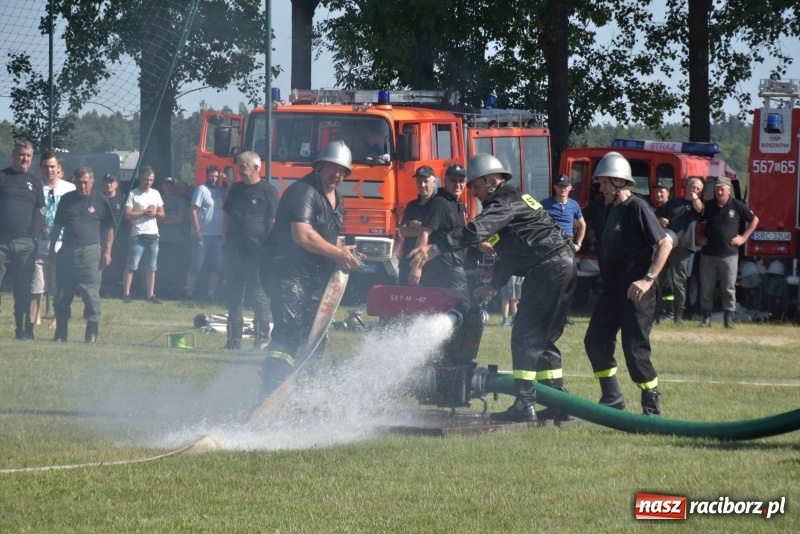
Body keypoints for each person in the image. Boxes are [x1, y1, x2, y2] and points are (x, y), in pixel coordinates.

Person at [408, 153, 577, 424]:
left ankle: (525, 403)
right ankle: (558, 401)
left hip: (546, 268)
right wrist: (493, 286)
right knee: (545, 339)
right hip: (562, 265)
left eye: (475, 186)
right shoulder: (515, 202)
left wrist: (435, 248)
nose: (473, 193)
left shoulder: (504, 200)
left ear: (492, 181)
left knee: (524, 335)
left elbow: (475, 232)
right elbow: (507, 251)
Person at [260, 140, 364, 397]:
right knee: (289, 331)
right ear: (318, 167)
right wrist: (338, 254)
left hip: (311, 277)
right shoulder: (303, 192)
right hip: (285, 272)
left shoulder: (337, 200)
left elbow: (330, 237)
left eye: (342, 171)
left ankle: (302, 395)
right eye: (331, 168)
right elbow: (303, 235)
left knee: (315, 337)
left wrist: (344, 253)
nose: (336, 174)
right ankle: (270, 392)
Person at [583, 152, 672, 417]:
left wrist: (647, 280)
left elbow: (665, 243)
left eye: (605, 183)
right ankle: (612, 397)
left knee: (635, 350)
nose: (601, 187)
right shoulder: (608, 207)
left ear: (620, 182)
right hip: (612, 289)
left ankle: (651, 408)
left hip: (637, 293)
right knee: (595, 340)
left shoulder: (638, 207)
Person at [50, 167, 115, 343]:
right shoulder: (66, 200)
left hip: (91, 252)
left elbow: (110, 227)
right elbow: (56, 227)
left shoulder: (101, 200)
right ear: (74, 183)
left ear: (92, 182)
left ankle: (91, 334)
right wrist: (51, 249)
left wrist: (108, 250)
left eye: (86, 182)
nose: (82, 186)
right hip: (67, 251)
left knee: (91, 296)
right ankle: (61, 333)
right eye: (79, 183)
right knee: (62, 294)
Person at [223, 151, 279, 350]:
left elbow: (273, 222)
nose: (239, 169)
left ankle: (261, 339)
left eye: (243, 166)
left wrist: (271, 248)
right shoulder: (236, 189)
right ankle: (233, 340)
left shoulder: (269, 191)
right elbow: (227, 216)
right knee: (234, 293)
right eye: (239, 165)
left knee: (258, 293)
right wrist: (225, 240)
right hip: (234, 249)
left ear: (256, 168)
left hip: (257, 251)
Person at [697, 176, 759, 329]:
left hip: (729, 254)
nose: (719, 192)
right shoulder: (709, 206)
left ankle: (728, 319)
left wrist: (744, 237)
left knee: (728, 288)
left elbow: (754, 219)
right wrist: (697, 236)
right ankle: (706, 319)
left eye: (722, 189)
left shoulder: (737, 205)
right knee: (707, 287)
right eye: (717, 189)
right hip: (708, 254)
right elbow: (695, 220)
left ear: (728, 190)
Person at [0, 139, 44, 340]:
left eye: (28, 155)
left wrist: (35, 236)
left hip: (26, 244)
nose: (24, 158)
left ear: (31, 157)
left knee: (23, 290)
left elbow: (38, 213)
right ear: (13, 155)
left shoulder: (35, 182)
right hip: (2, 243)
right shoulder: (2, 176)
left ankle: (23, 331)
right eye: (21, 154)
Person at [413, 163, 469, 306]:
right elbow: (424, 233)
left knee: (450, 307)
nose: (458, 184)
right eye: (453, 180)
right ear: (445, 181)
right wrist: (416, 268)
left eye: (461, 181)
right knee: (463, 305)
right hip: (441, 265)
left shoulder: (458, 204)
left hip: (455, 263)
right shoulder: (439, 202)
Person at [31, 151, 75, 329]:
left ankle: (58, 318)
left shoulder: (69, 189)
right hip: (39, 243)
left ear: (59, 168)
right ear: (40, 168)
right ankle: (34, 318)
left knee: (59, 285)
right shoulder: (35, 188)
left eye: (52, 166)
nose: (49, 170)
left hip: (62, 244)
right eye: (45, 167)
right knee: (36, 285)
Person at [654, 178, 704, 325]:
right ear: (686, 188)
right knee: (658, 280)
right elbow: (655, 216)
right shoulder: (674, 202)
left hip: (682, 247)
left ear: (700, 191)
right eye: (692, 187)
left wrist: (695, 199)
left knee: (679, 282)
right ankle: (655, 315)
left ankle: (678, 317)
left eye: (697, 189)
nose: (694, 190)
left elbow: (700, 209)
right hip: (665, 244)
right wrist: (660, 220)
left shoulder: (697, 206)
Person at [543, 174, 585, 325]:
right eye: (560, 186)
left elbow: (582, 225)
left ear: (570, 188)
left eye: (566, 186)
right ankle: (548, 314)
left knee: (568, 282)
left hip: (568, 245)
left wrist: (578, 243)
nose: (563, 189)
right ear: (555, 187)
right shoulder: (545, 204)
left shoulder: (574, 205)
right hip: (551, 246)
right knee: (550, 281)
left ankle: (563, 316)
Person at [122, 165, 165, 304]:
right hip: (138, 234)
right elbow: (127, 214)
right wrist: (144, 211)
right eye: (146, 179)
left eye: (151, 180)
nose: (149, 182)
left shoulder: (156, 193)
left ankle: (150, 295)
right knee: (132, 265)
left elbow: (163, 214)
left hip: (153, 234)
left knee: (152, 267)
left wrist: (156, 213)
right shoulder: (133, 194)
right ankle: (126, 294)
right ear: (141, 177)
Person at [186, 165, 226, 301]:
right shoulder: (201, 190)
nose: (214, 179)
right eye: (211, 176)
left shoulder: (220, 190)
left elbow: (232, 193)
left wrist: (229, 181)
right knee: (197, 265)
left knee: (217, 266)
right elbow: (193, 210)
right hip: (202, 235)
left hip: (217, 236)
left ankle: (210, 294)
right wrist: (197, 229)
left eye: (216, 176)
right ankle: (189, 293)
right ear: (207, 175)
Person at [397, 165, 437, 285]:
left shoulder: (438, 205)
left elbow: (439, 232)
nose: (422, 185)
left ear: (434, 182)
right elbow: (403, 231)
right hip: (408, 259)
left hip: (430, 260)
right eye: (419, 181)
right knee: (404, 297)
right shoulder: (412, 205)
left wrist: (416, 225)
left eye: (426, 181)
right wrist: (425, 230)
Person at [155, 177, 187, 300]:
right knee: (162, 267)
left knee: (175, 267)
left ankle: (175, 293)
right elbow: (156, 219)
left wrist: (163, 218)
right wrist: (169, 217)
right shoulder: (158, 200)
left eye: (171, 185)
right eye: (166, 185)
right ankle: (161, 292)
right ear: (163, 186)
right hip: (160, 239)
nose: (169, 187)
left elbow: (179, 219)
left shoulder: (180, 201)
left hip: (176, 240)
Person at [100, 173, 126, 295]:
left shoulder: (122, 199)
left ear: (116, 184)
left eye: (111, 182)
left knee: (119, 259)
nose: (109, 184)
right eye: (106, 182)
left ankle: (118, 284)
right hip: (103, 235)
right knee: (103, 261)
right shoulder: (99, 198)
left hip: (120, 235)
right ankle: (103, 286)